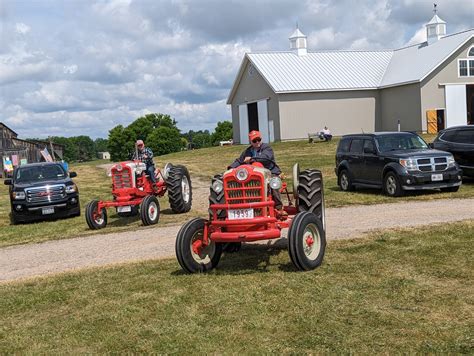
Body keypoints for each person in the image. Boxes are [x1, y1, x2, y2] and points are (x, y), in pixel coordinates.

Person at [228, 130, 286, 216]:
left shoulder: (267, 148)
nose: (257, 142)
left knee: (273, 183)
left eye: (258, 139)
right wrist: (231, 168)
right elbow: (240, 160)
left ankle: (279, 207)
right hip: (254, 174)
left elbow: (265, 157)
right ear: (251, 142)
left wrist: (251, 159)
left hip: (269, 171)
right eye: (254, 141)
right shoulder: (247, 151)